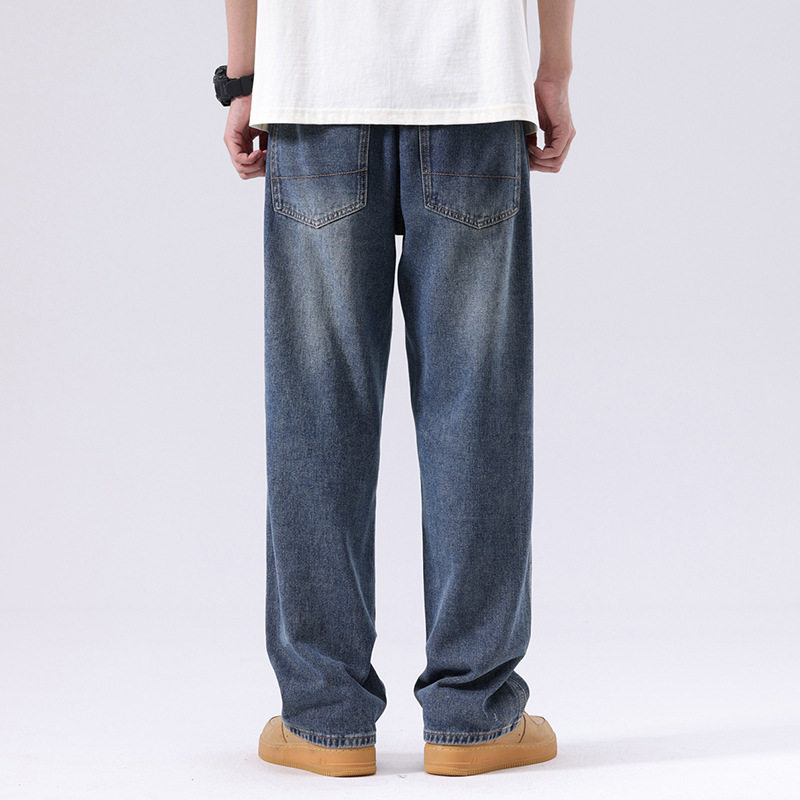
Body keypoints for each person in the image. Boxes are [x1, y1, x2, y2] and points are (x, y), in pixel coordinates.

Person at [217, 0, 576, 778]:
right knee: (477, 406)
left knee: (317, 407)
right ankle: (472, 716)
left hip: (317, 89)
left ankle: (325, 718)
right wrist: (552, 68)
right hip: (474, 87)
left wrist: (243, 82)